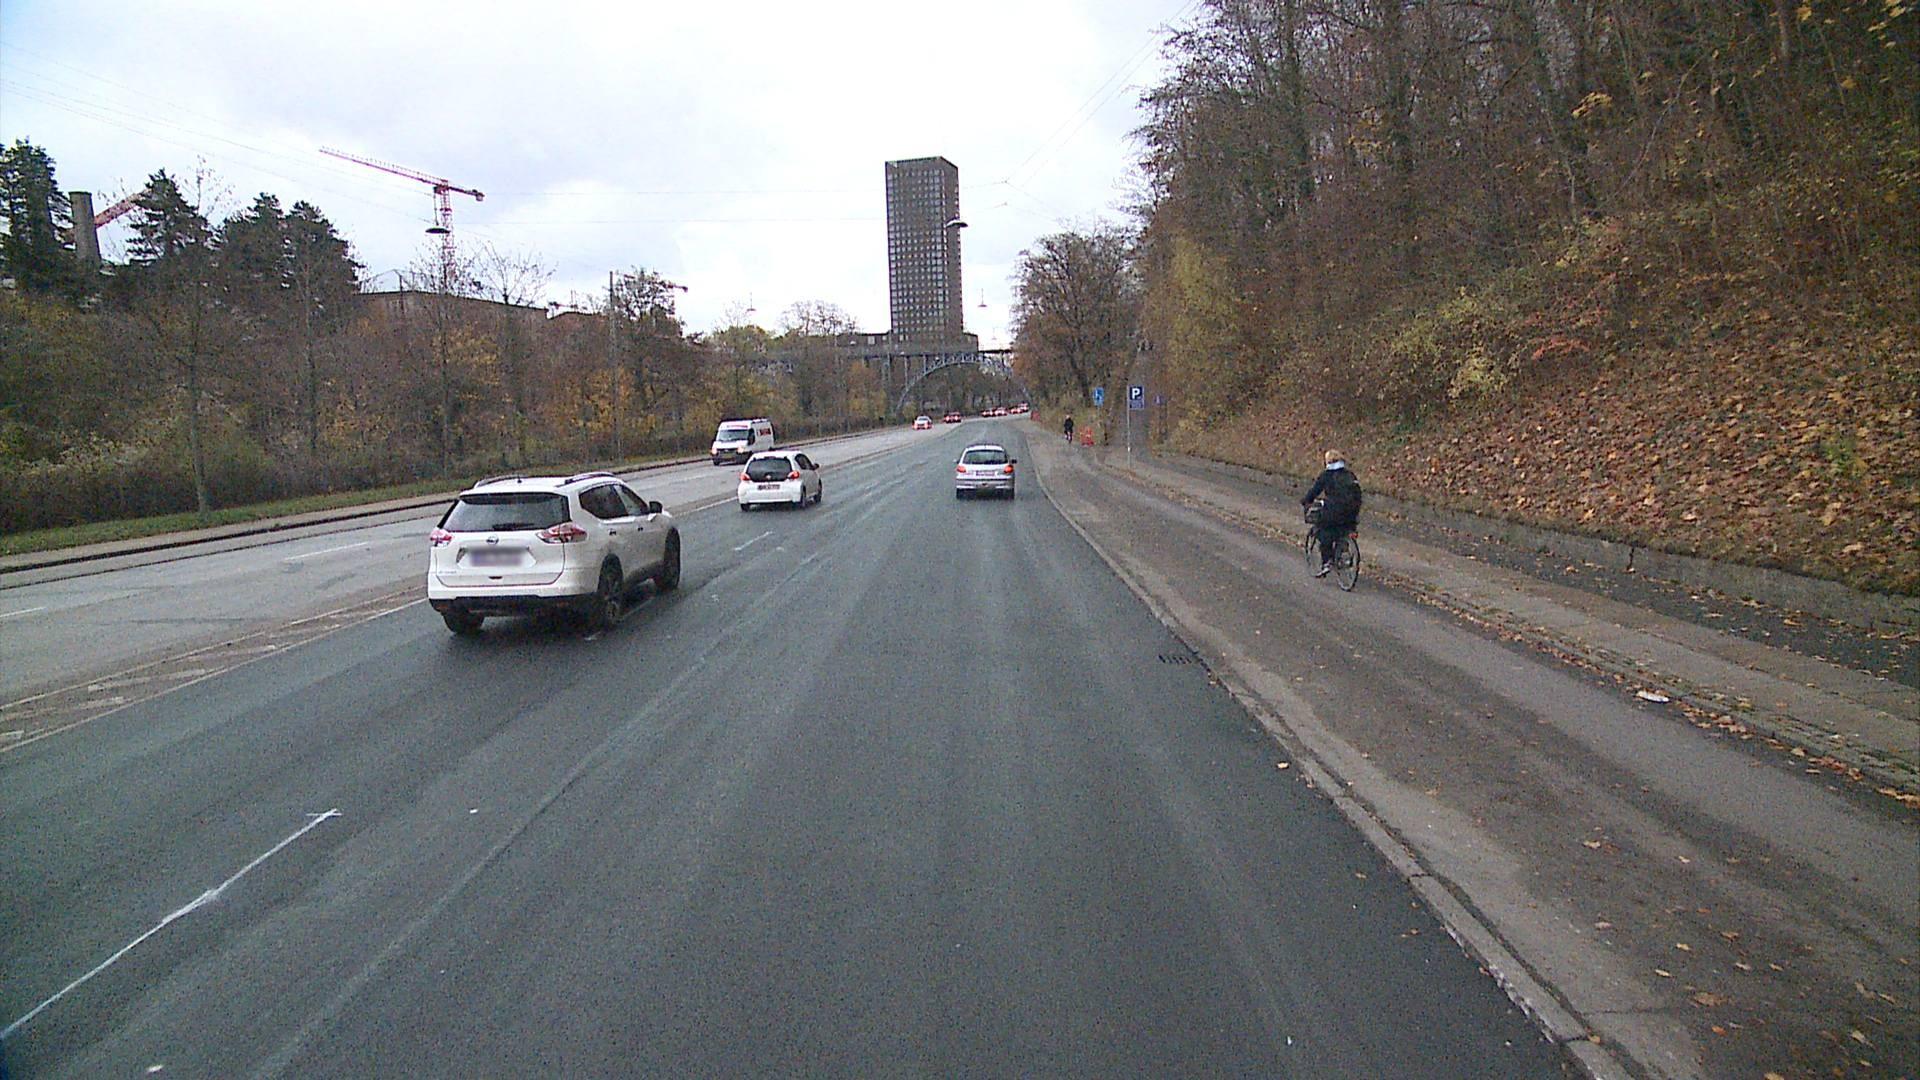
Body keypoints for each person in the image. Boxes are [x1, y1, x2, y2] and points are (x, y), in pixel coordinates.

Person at [1301, 449, 1362, 576]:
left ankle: (1327, 561)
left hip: (1335, 512)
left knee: (1323, 531)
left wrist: (1306, 501)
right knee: (1344, 530)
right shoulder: (1349, 475)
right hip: (1352, 512)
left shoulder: (1327, 475)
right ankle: (1344, 551)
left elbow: (1315, 491)